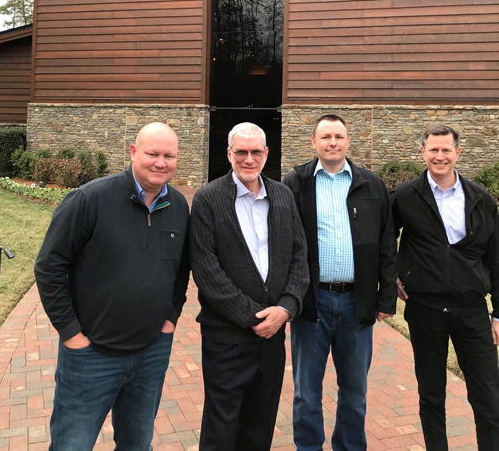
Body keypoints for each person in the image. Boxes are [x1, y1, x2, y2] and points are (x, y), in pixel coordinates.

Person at [35, 122, 190, 451]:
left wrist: (170, 319)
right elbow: (50, 266)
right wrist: (71, 333)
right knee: (71, 445)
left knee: (138, 443)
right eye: (152, 154)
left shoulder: (178, 206)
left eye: (169, 156)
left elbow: (181, 270)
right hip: (91, 354)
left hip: (151, 352)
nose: (160, 163)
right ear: (133, 152)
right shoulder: (89, 199)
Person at [190, 121, 309, 451]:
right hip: (226, 337)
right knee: (221, 427)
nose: (248, 158)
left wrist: (285, 308)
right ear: (229, 154)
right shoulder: (208, 199)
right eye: (241, 152)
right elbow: (206, 271)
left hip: (273, 336)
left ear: (266, 153)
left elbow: (300, 256)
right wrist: (256, 317)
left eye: (256, 151)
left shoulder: (282, 195)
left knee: (260, 424)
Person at [284, 113, 397, 451]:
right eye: (325, 137)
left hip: (356, 303)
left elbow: (387, 243)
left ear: (348, 141)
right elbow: (283, 241)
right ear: (313, 143)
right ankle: (309, 446)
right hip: (311, 302)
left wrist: (386, 299)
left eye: (338, 137)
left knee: (355, 390)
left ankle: (349, 446)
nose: (332, 143)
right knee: (306, 389)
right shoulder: (296, 182)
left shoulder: (370, 184)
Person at [392, 123, 499, 451]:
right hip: (425, 310)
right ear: (422, 152)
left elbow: (495, 258)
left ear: (458, 153)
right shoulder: (404, 196)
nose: (440, 156)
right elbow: (382, 240)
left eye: (446, 150)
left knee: (489, 398)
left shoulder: (481, 199)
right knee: (431, 395)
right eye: (433, 150)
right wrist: (392, 274)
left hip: (472, 311)